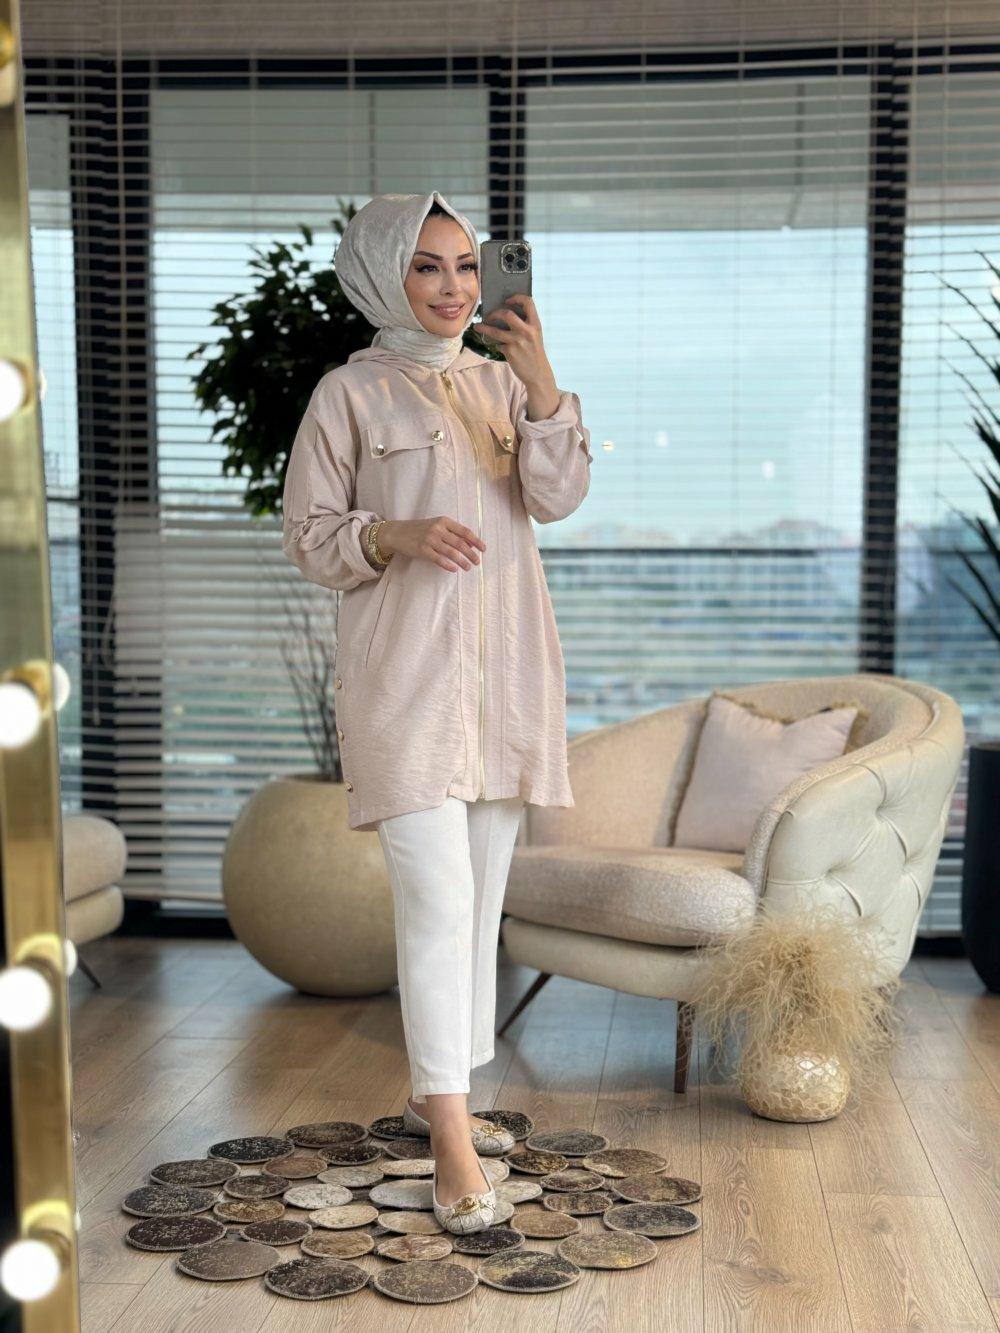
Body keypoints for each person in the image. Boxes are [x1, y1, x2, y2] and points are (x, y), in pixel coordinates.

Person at [281, 191, 593, 1232]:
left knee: (479, 896)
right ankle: (452, 1137)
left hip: (505, 680)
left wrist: (541, 380)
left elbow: (558, 498)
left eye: (466, 264)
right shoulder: (348, 394)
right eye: (428, 265)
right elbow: (309, 536)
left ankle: (438, 1091)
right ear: (383, 274)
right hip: (405, 682)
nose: (455, 286)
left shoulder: (505, 385)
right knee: (436, 896)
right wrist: (392, 535)